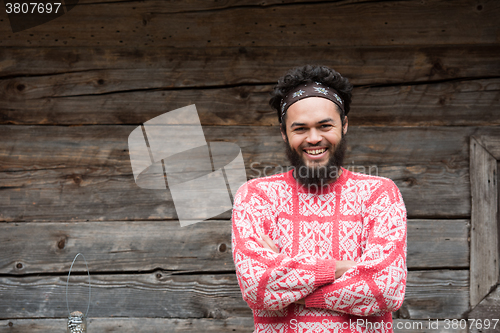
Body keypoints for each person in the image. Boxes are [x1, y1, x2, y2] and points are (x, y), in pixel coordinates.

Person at [231, 65, 407, 332]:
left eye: (325, 126)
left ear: (344, 125)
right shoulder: (256, 196)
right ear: (283, 132)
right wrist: (340, 269)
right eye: (300, 129)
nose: (314, 139)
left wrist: (288, 283)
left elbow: (385, 290)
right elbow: (256, 287)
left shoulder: (379, 193)